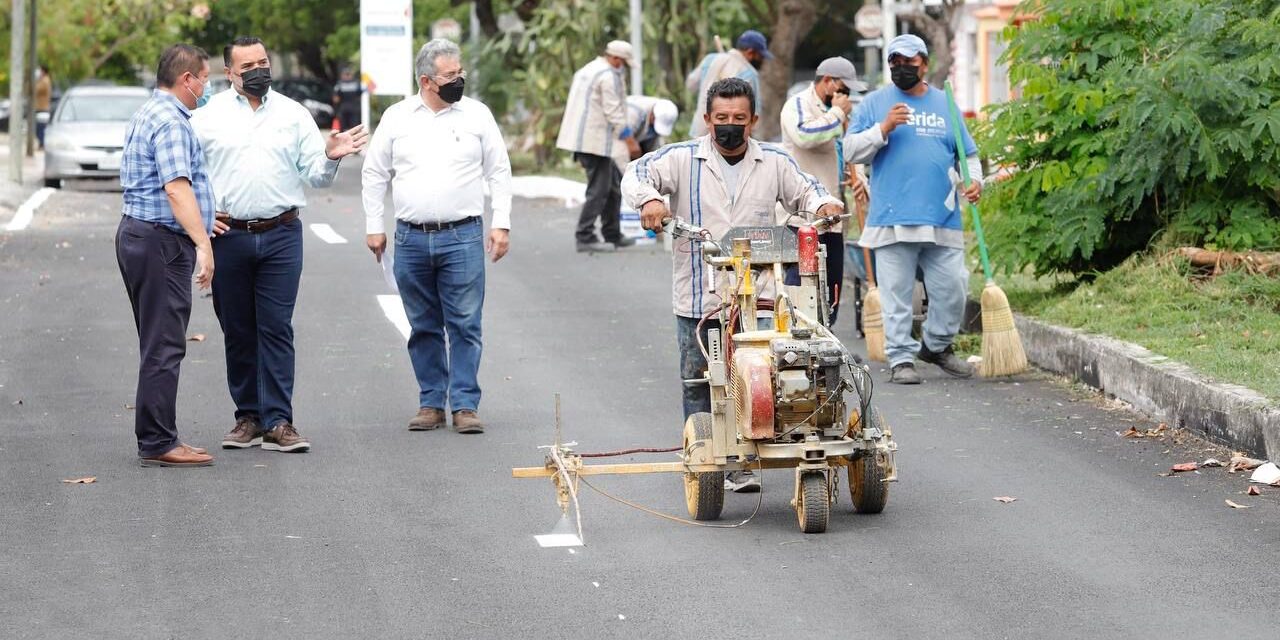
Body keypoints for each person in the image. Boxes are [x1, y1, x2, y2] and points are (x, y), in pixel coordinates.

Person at [623, 77, 843, 492]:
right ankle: (705, 461)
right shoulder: (682, 158)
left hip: (759, 296)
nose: (729, 125)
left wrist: (824, 204)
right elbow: (636, 173)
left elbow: (808, 191)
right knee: (699, 379)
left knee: (758, 374)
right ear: (707, 119)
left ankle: (745, 458)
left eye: (738, 118)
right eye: (721, 118)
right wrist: (649, 200)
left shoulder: (774, 161)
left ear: (753, 120)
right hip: (699, 293)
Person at [191, 36, 368, 453]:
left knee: (276, 327)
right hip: (228, 235)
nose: (259, 70)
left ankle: (279, 420)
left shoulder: (293, 114)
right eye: (248, 65)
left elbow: (317, 175)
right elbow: (190, 174)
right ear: (230, 73)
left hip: (281, 234)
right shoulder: (206, 117)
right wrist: (201, 217)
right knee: (237, 329)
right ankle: (247, 418)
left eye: (264, 62)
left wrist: (332, 155)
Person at [362, 39, 512, 435]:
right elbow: (375, 173)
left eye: (460, 72)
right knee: (423, 325)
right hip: (411, 239)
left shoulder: (477, 116)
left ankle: (464, 404)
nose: (459, 79)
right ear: (426, 80)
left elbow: (498, 171)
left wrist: (502, 223)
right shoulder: (397, 118)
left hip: (462, 236)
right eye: (450, 75)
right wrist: (374, 225)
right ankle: (431, 402)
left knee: (465, 323)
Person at [843, 34, 982, 385]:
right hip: (892, 217)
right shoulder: (875, 104)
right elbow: (850, 151)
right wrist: (883, 128)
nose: (902, 68)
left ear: (925, 63)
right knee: (897, 296)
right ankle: (901, 358)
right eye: (896, 63)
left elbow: (968, 155)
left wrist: (975, 181)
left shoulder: (946, 103)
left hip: (943, 216)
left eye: (910, 62)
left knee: (952, 288)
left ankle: (935, 346)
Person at [116, 44, 216, 467]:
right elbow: (177, 188)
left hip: (141, 236)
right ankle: (158, 442)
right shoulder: (171, 122)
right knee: (164, 343)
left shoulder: (149, 112)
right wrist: (203, 243)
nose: (207, 87)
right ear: (187, 79)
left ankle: (159, 435)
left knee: (157, 341)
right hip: (160, 242)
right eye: (206, 79)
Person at [778, 56, 867, 326]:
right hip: (801, 219)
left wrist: (858, 175)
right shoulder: (797, 106)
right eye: (842, 88)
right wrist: (837, 115)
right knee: (802, 284)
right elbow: (805, 136)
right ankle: (798, 344)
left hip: (833, 218)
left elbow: (847, 150)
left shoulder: (838, 113)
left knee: (832, 287)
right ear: (827, 81)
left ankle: (827, 343)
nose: (846, 96)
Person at [556, 40, 640, 253]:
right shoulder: (607, 75)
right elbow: (613, 111)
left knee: (613, 186)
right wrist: (629, 140)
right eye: (623, 64)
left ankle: (612, 233)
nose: (624, 68)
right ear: (616, 59)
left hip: (588, 140)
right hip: (593, 142)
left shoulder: (590, 68)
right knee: (599, 190)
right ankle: (584, 236)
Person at [686, 30, 771, 137]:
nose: (762, 61)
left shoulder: (710, 59)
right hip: (729, 138)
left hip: (700, 132)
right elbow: (755, 113)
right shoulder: (750, 73)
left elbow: (691, 85)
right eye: (761, 57)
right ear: (751, 52)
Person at [34, 65, 52, 148]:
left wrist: (36, 80)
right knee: (40, 128)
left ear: (43, 71)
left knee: (40, 128)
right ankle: (41, 144)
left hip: (43, 108)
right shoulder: (44, 80)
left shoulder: (44, 81)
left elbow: (36, 90)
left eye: (40, 70)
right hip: (41, 107)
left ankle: (42, 143)